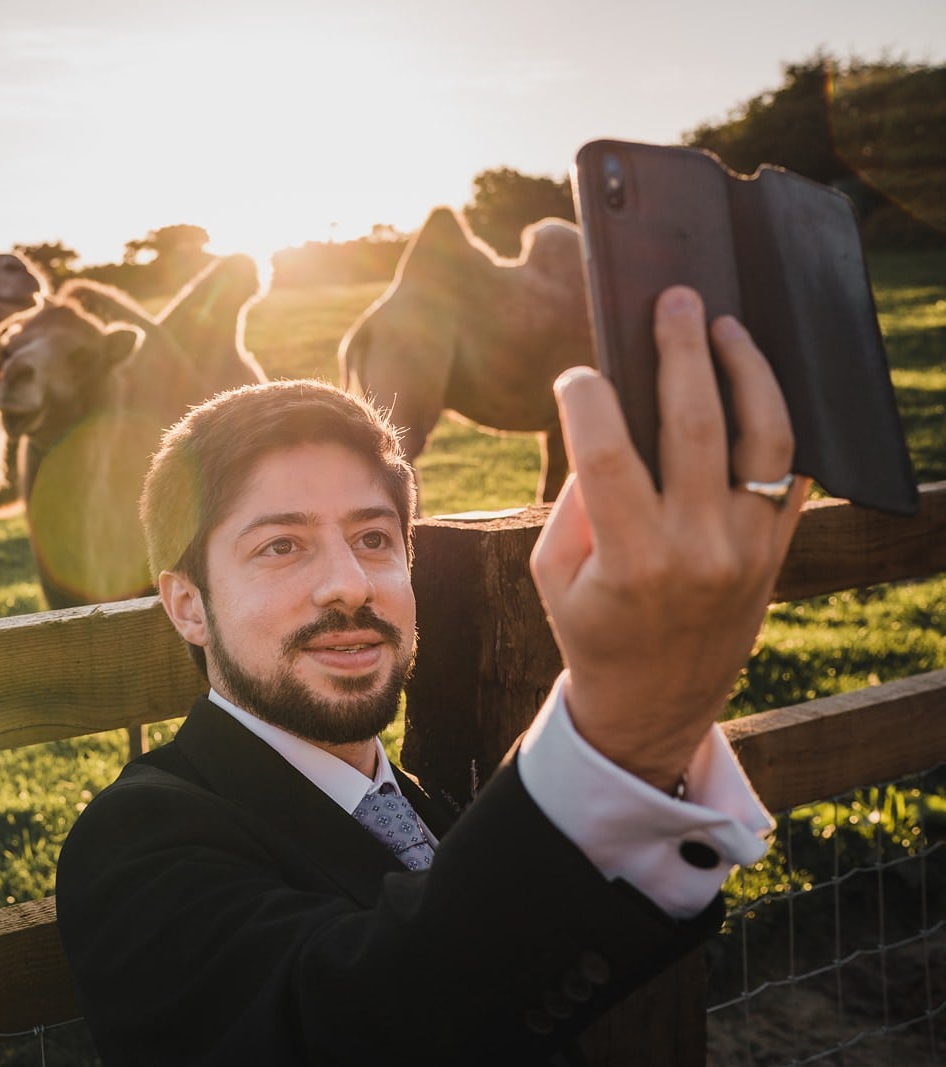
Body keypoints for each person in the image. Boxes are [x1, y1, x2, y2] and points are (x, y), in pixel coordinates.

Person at [54, 285, 809, 1065]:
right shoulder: (136, 839)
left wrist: (661, 734)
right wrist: (618, 727)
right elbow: (364, 1014)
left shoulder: (424, 805)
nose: (350, 583)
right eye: (281, 545)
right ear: (188, 606)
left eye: (375, 538)